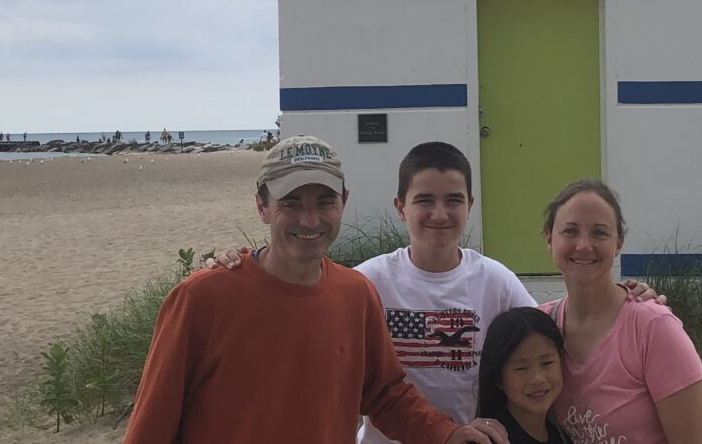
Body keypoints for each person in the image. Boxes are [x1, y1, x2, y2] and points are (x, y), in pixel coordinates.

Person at [208, 142, 661, 443]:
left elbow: (551, 336)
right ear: (400, 206)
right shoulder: (366, 281)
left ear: (470, 206)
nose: (439, 214)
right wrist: (242, 263)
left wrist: (625, 300)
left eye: (454, 200)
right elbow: (299, 299)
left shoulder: (495, 281)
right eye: (424, 200)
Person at [122, 136, 508, 444]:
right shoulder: (201, 298)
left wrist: (446, 434)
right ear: (262, 205)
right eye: (291, 202)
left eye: (324, 201)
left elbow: (385, 394)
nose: (310, 219)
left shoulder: (356, 293)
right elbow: (152, 423)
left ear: (344, 202)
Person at [538, 180, 702, 444]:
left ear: (618, 244)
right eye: (570, 231)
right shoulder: (540, 328)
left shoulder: (654, 329)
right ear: (550, 239)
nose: (584, 245)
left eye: (599, 233)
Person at [477, 308, 571, 444]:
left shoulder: (561, 435)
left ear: (561, 361)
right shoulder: (490, 439)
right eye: (521, 368)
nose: (538, 378)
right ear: (498, 379)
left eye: (547, 363)